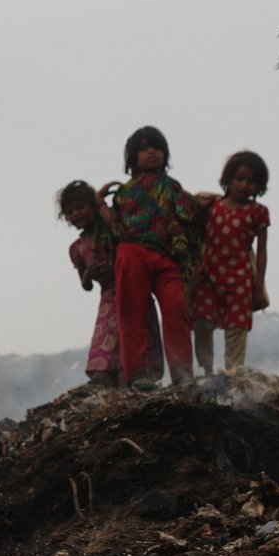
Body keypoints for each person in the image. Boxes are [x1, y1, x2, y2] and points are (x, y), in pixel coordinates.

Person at [95, 126, 198, 389]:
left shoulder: (174, 188)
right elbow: (115, 226)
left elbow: (187, 220)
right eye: (144, 148)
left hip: (167, 256)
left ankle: (183, 373)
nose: (152, 152)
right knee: (133, 312)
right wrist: (99, 204)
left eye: (157, 147)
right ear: (132, 157)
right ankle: (137, 375)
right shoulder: (125, 193)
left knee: (177, 307)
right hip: (131, 253)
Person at [57, 180, 163, 387]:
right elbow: (85, 285)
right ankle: (105, 378)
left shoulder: (109, 229)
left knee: (134, 337)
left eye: (80, 207)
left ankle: (137, 378)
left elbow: (120, 230)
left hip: (133, 290)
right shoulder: (77, 248)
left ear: (92, 206)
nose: (76, 214)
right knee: (106, 335)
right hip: (108, 299)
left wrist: (100, 201)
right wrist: (88, 275)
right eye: (70, 212)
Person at [192, 150, 271, 375]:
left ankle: (233, 375)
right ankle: (207, 371)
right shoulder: (211, 206)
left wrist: (258, 285)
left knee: (237, 328)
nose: (244, 185)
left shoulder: (258, 212)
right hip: (209, 276)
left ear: (259, 186)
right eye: (239, 178)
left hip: (239, 279)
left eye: (251, 181)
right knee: (202, 321)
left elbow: (262, 251)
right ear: (228, 179)